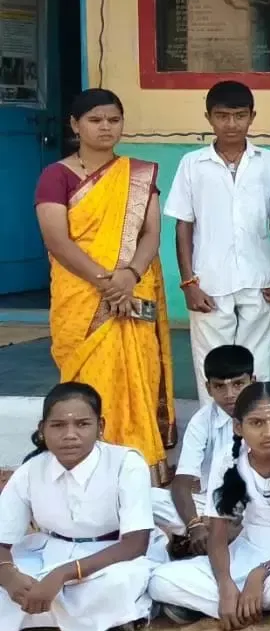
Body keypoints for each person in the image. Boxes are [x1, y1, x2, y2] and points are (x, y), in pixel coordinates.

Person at [34, 88, 176, 476]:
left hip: (133, 289)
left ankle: (140, 467)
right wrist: (106, 283)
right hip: (81, 296)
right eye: (95, 120)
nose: (106, 127)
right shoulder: (56, 176)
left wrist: (129, 275)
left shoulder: (138, 175)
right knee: (88, 381)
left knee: (138, 374)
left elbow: (150, 233)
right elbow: (57, 240)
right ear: (75, 125)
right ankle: (89, 466)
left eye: (114, 120)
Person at [149, 382, 270, 628]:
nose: (269, 432)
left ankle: (227, 604)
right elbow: (217, 536)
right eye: (257, 423)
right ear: (238, 427)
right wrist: (225, 585)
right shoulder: (227, 460)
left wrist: (261, 572)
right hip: (247, 550)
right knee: (160, 581)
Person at [0, 383, 157, 631]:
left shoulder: (126, 463)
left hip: (111, 556)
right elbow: (2, 539)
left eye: (82, 424)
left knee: (118, 583)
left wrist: (62, 574)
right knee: (14, 581)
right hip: (48, 552)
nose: (70, 435)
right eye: (58, 425)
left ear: (100, 426)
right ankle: (85, 615)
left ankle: (44, 612)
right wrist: (9, 578)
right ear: (42, 429)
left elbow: (135, 544)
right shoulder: (30, 470)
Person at [166, 80, 270, 387]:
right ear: (208, 117)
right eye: (222, 116)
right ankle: (214, 418)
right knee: (212, 363)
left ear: (252, 116)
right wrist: (189, 283)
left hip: (259, 277)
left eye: (239, 115)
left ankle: (257, 416)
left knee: (258, 363)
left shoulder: (268, 162)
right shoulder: (192, 164)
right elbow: (183, 225)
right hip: (209, 280)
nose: (231, 124)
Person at [152, 345, 252, 555]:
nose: (230, 394)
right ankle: (210, 534)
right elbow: (182, 482)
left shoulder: (266, 416)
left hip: (257, 505)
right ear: (208, 388)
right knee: (146, 498)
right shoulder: (202, 420)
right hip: (209, 505)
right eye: (219, 386)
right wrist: (194, 525)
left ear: (253, 381)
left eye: (238, 384)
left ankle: (211, 536)